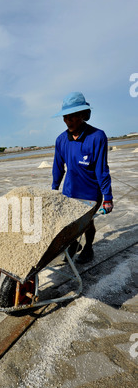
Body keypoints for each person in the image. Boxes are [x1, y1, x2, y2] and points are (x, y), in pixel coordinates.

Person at [52, 91, 113, 263]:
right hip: (69, 191)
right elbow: (58, 167)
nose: (68, 121)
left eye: (72, 117)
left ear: (83, 115)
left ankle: (88, 247)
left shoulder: (97, 137)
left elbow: (102, 170)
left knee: (87, 224)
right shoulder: (61, 140)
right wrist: (54, 189)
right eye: (65, 117)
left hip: (90, 193)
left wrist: (107, 198)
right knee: (69, 224)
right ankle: (73, 245)